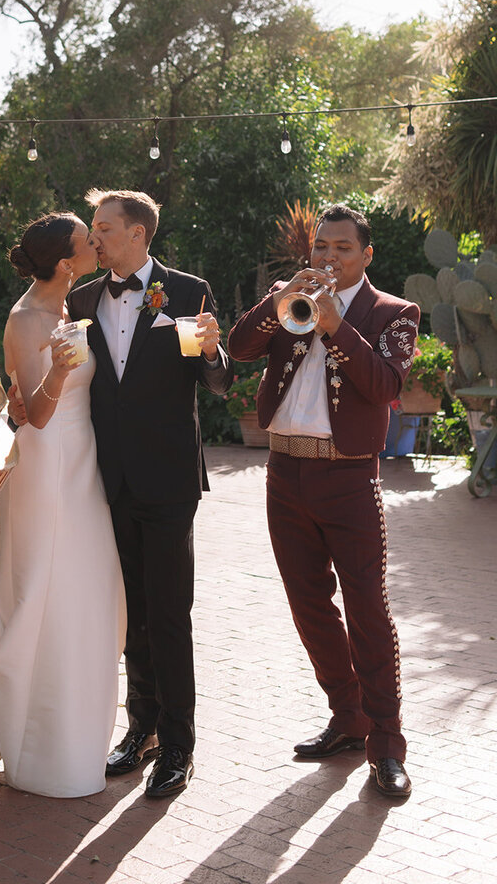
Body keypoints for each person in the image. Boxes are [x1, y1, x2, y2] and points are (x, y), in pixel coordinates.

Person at [0, 213, 125, 797]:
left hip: (81, 460)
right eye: (88, 242)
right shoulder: (26, 318)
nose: (95, 244)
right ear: (67, 263)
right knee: (46, 589)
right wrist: (61, 372)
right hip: (47, 466)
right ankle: (38, 742)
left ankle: (32, 730)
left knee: (82, 590)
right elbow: (33, 414)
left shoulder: (65, 308)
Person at [227, 203, 419, 799]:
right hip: (284, 472)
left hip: (348, 478)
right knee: (308, 603)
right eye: (320, 247)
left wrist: (337, 324)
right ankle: (347, 715)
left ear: (366, 255)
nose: (328, 257)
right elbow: (237, 348)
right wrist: (279, 299)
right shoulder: (291, 297)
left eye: (341, 248)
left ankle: (386, 743)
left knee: (366, 606)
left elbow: (386, 386)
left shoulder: (394, 313)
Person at [67, 189, 233, 798]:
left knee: (168, 613)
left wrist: (214, 349)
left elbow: (216, 381)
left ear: (139, 234)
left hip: (167, 481)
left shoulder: (186, 293)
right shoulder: (82, 298)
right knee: (132, 610)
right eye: (93, 228)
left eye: (104, 228)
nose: (94, 237)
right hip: (108, 479)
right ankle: (141, 732)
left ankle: (179, 745)